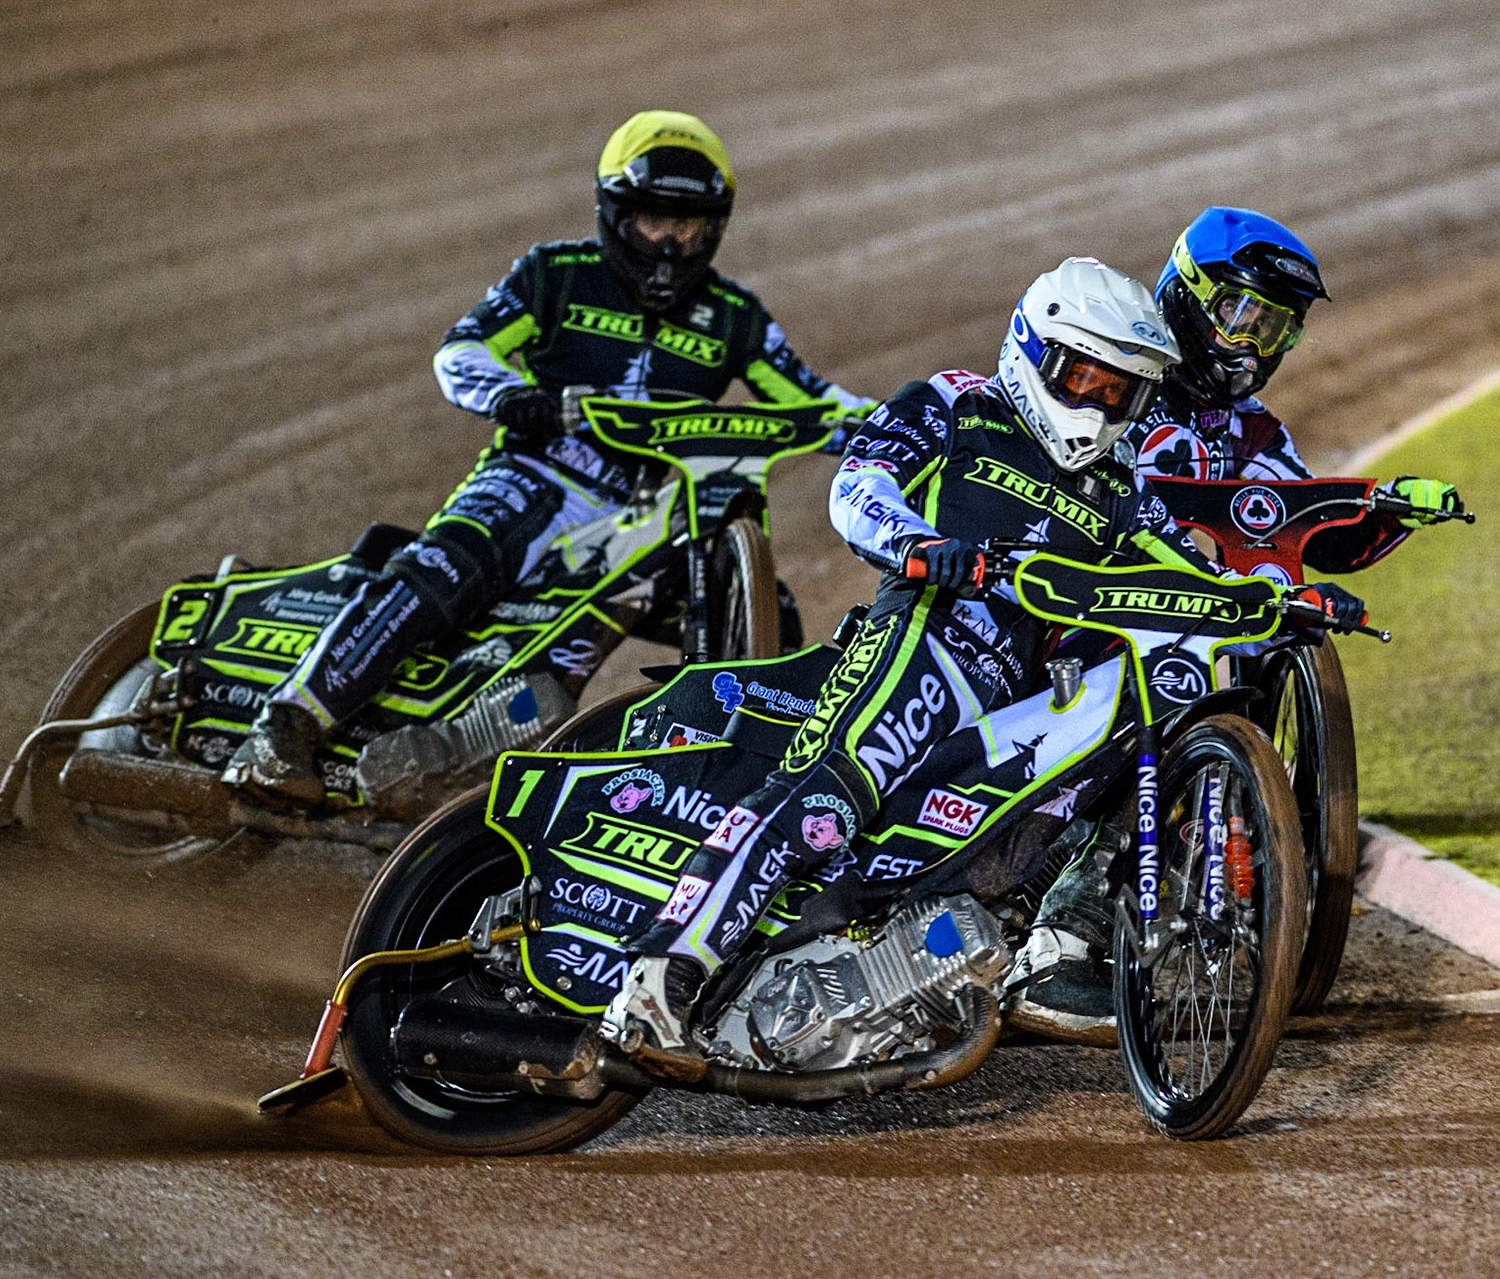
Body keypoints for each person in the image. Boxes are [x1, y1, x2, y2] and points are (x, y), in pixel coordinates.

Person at [600, 256, 1368, 1064]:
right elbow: (860, 483)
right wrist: (922, 546)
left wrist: (1285, 604)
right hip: (927, 640)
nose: (1097, 405)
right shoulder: (957, 403)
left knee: (1104, 749)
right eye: (1082, 378)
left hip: (1023, 697)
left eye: (1121, 393)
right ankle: (660, 976)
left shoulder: (1116, 487)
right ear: (1033, 351)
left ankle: (1002, 952)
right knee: (827, 797)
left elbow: (1191, 574)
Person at [223, 110, 871, 807]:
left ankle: (735, 784)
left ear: (714, 225)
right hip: (534, 475)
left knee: (761, 607)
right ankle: (283, 727)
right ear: (615, 213)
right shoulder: (555, 275)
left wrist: (892, 424)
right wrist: (508, 394)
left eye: (687, 225)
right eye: (654, 220)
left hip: (640, 520)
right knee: (451, 564)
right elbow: (460, 350)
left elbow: (814, 399)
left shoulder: (734, 315)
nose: (670, 243)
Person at [1005, 207, 1447, 1039]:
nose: (1252, 342)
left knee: (1271, 626)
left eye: (1274, 326)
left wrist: (1388, 508)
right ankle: (1061, 939)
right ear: (1186, 294)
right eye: (1239, 314)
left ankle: (1230, 821)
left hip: (1198, 628)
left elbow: (1301, 517)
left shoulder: (1255, 430)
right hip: (1069, 622)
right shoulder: (1122, 380)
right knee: (1156, 688)